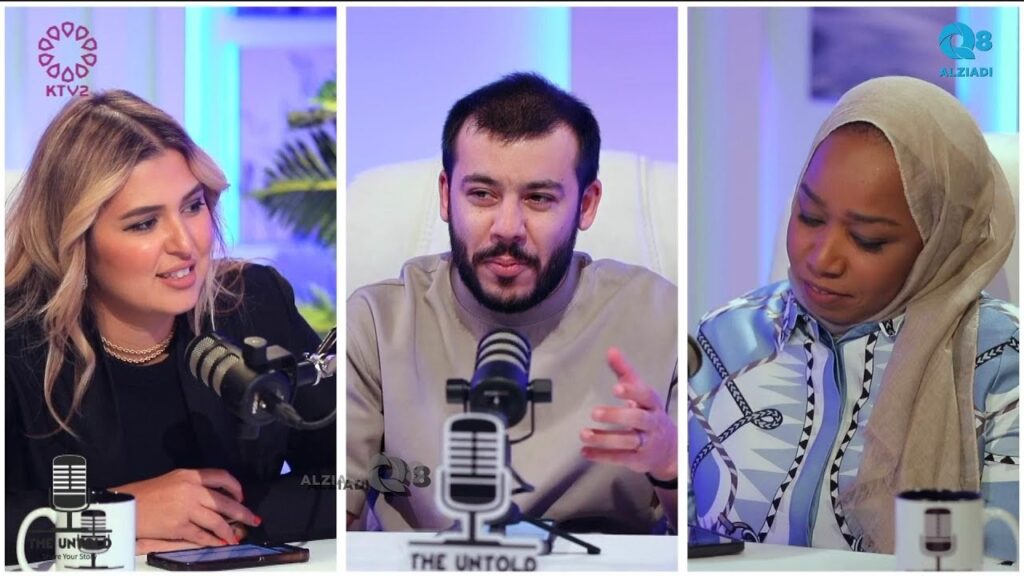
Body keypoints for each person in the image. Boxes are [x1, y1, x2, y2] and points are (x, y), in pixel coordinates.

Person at [688, 76, 1018, 561]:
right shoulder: (722, 340)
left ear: (942, 242)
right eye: (809, 217)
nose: (823, 259)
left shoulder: (1002, 367)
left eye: (868, 240)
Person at [5, 90, 336, 564]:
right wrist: (120, 514)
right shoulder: (16, 342)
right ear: (75, 239)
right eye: (144, 224)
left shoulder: (254, 304)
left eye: (193, 206)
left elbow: (347, 474)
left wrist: (225, 522)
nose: (185, 243)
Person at [346, 72, 678, 534]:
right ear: (446, 195)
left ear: (586, 204)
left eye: (539, 198)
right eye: (482, 195)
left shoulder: (657, 315)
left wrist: (669, 464)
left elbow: (708, 532)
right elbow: (337, 520)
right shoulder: (379, 323)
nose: (507, 227)